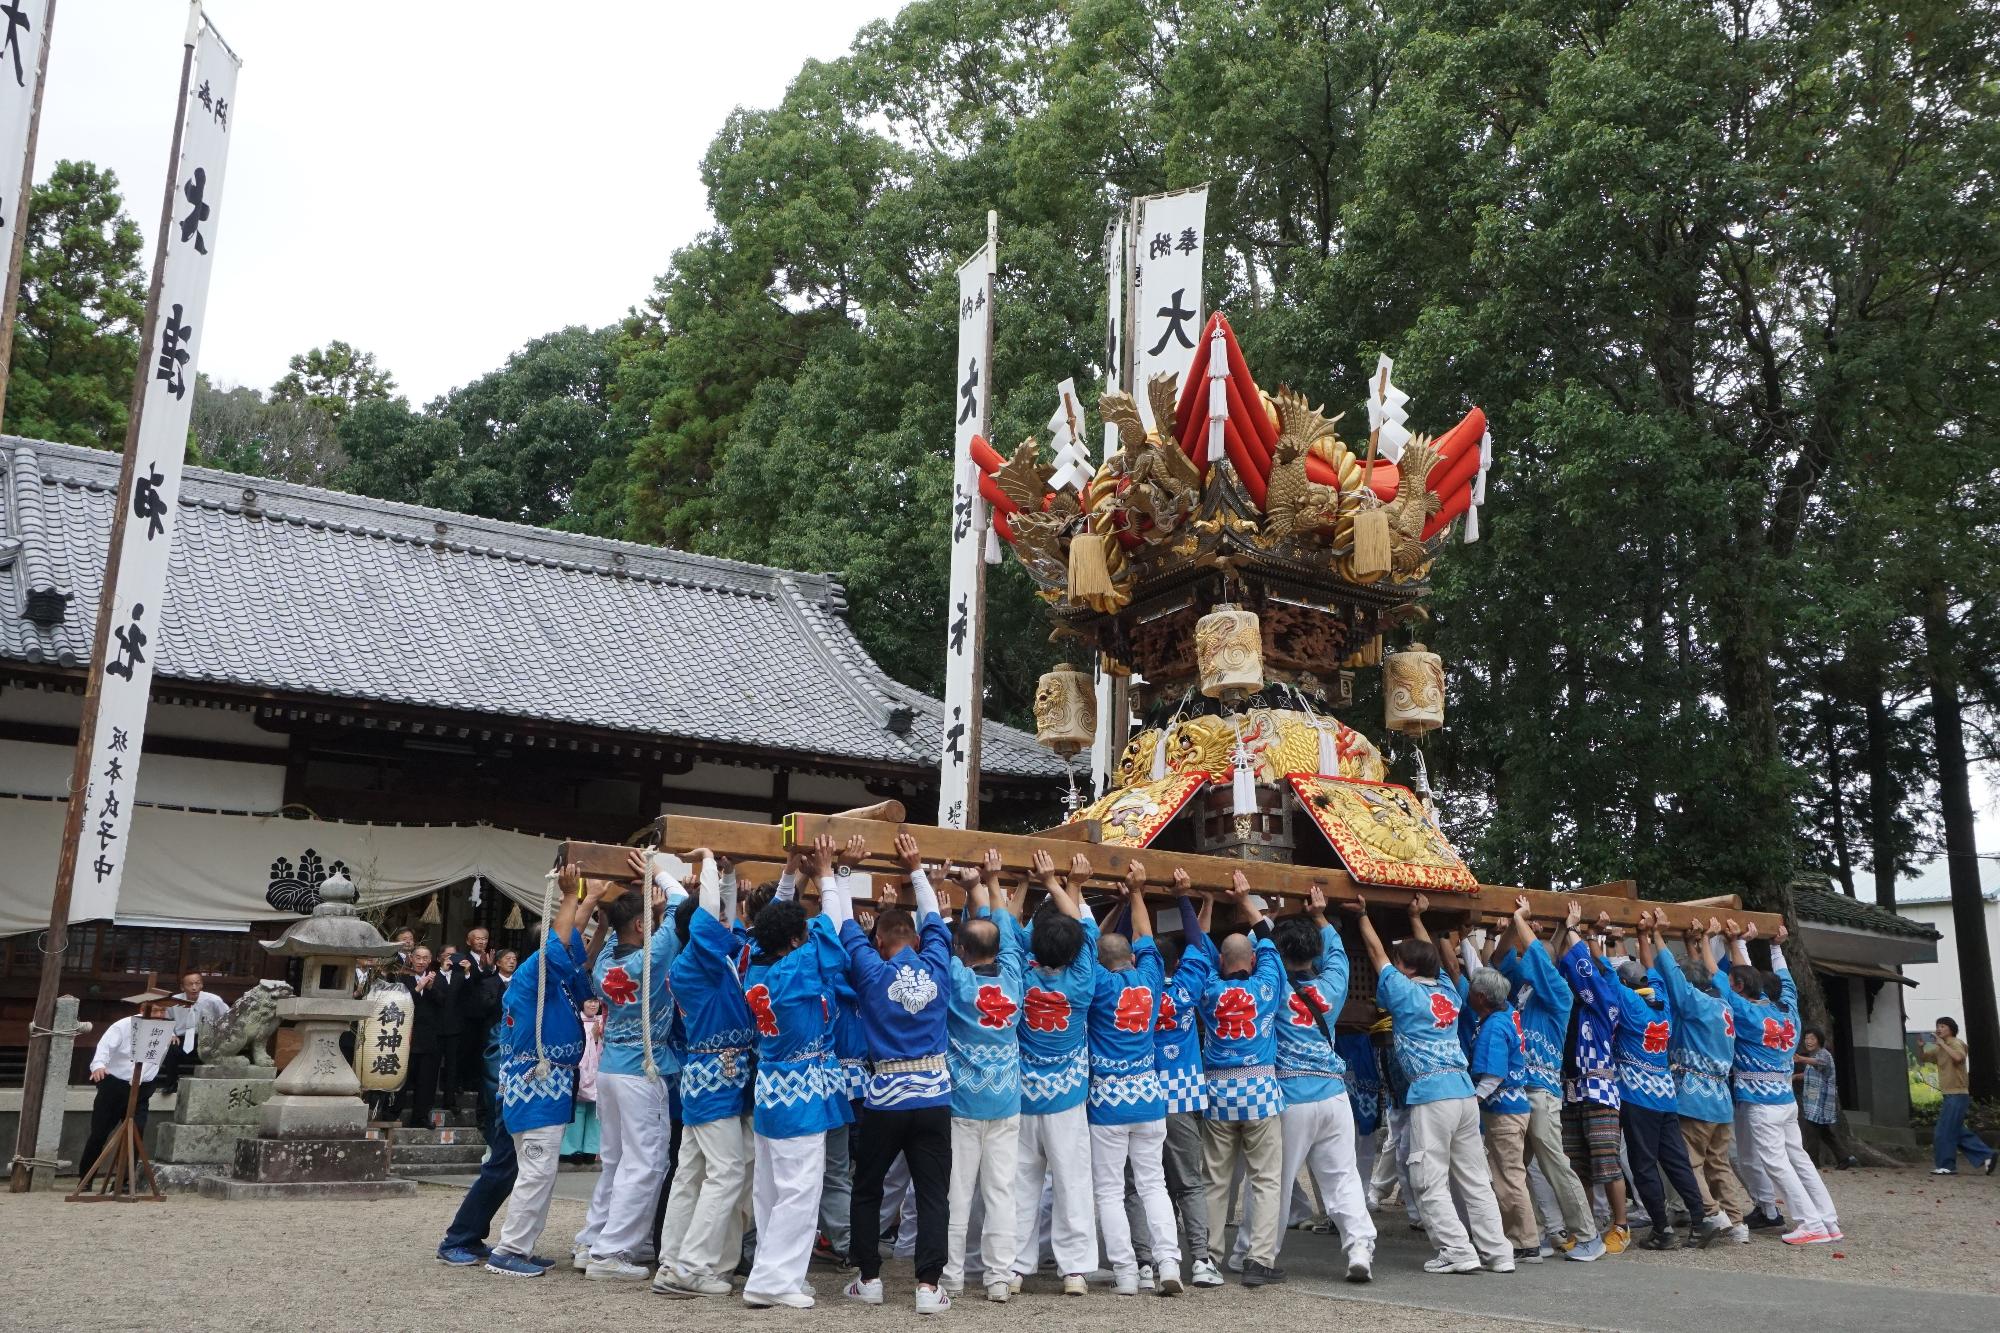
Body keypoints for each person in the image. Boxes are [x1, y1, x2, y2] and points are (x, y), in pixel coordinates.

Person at [1347, 892, 1512, 1275]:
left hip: (1431, 1093)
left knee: (1428, 1177)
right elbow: (1431, 962)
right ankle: (1497, 1252)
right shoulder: (1449, 994)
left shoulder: (1404, 992)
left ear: (1406, 969)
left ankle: (1457, 1250)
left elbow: (1376, 955)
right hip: (1464, 1093)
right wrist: (1417, 918)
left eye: (1400, 962)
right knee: (1474, 1178)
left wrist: (1363, 916)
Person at [828, 832, 955, 1315]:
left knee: (868, 1187)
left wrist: (834, 871)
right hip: (934, 1095)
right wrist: (917, 869)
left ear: (878, 941)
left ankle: (869, 1278)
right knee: (932, 1193)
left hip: (885, 1095)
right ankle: (927, 1286)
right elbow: (938, 923)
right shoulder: (938, 963)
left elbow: (843, 924)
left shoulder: (871, 970)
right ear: (916, 940)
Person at [739, 834, 853, 1310]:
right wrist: (826, 872)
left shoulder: (755, 966)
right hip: (801, 1095)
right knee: (798, 1191)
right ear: (795, 941)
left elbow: (771, 925)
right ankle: (772, 1280)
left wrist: (794, 871)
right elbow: (836, 926)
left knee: (770, 1190)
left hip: (771, 1088)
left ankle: (775, 1271)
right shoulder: (797, 970)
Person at [479, 866, 611, 1276]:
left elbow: (576, 961)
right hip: (535, 1084)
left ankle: (521, 1246)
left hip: (550, 1085)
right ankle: (509, 1250)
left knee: (542, 1171)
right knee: (535, 1171)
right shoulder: (529, 977)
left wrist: (594, 909)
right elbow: (561, 949)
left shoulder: (557, 983)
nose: (574, 950)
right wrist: (572, 897)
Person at [573, 849, 685, 1280]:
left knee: (616, 1161)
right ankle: (612, 1252)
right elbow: (680, 907)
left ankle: (592, 1241)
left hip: (610, 1069)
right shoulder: (651, 957)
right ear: (642, 925)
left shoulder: (605, 963)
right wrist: (659, 873)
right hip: (643, 1069)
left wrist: (626, 909)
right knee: (646, 1163)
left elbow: (618, 933)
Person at [655, 851, 757, 1299]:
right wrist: (711, 864)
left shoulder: (703, 961)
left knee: (691, 1172)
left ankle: (673, 1261)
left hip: (710, 1073)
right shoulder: (697, 960)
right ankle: (690, 1266)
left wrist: (728, 874)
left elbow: (716, 917)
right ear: (701, 932)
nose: (723, 929)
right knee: (729, 1172)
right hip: (717, 1076)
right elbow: (709, 915)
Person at [1082, 860, 1183, 1297]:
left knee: (1108, 1190)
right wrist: (1137, 893)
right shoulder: (1150, 979)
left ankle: (1126, 1272)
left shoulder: (1098, 986)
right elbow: (1144, 939)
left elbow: (1088, 946)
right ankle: (1169, 1263)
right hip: (1149, 1096)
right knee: (1154, 1184)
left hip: (1107, 1101)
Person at [1269, 884, 1376, 1283]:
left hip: (1291, 1096)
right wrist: (1320, 916)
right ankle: (1360, 1247)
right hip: (1334, 1093)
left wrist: (1269, 915)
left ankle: (1261, 1251)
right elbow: (1339, 956)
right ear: (1312, 953)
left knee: (1276, 1178)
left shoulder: (1273, 985)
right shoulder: (1332, 987)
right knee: (1342, 1176)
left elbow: (1257, 950)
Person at [1712, 918, 1841, 1243]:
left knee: (1776, 1162)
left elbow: (1724, 983)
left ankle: (1809, 1223)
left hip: (1761, 1103)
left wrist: (1721, 944)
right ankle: (1827, 1219)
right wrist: (1773, 947)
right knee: (1798, 1158)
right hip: (1785, 1099)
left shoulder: (1748, 1015)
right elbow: (1783, 981)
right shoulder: (1790, 1015)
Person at [1597, 910, 1720, 1250]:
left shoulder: (1627, 1005)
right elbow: (1652, 971)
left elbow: (1603, 970)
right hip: (1665, 1094)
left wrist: (1595, 935)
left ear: (1625, 985)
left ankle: (1662, 1229)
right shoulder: (1661, 1004)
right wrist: (1643, 936)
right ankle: (1700, 1219)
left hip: (1637, 1096)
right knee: (1676, 1160)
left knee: (1643, 1163)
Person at [1491, 897, 1604, 1261]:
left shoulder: (1559, 994)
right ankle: (1520, 1236)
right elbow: (1498, 960)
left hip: (1540, 1092)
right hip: (1518, 1093)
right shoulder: (1524, 988)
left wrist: (1521, 918)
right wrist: (1513, 926)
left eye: (1535, 958)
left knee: (1554, 1163)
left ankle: (1588, 1235)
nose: (1526, 961)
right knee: (1509, 1169)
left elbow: (1539, 956)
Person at [1010, 850, 1101, 1296]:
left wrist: (1032, 885)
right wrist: (1058, 883)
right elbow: (1084, 932)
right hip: (1067, 1096)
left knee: (1021, 1180)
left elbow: (1012, 934)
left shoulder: (1020, 978)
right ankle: (1075, 1270)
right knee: (1072, 1180)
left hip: (1025, 1093)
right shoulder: (1084, 980)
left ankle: (1014, 1266)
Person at [939, 851, 1026, 1302]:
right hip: (1007, 1101)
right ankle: (997, 1277)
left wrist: (938, 902)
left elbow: (940, 945)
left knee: (958, 1193)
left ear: (963, 951)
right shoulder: (1014, 979)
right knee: (1001, 1192)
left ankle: (952, 1276)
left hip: (962, 1103)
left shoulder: (957, 981)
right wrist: (990, 885)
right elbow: (1008, 937)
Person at [1194, 871, 1287, 1286]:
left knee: (1216, 1178)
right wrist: (1247, 899)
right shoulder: (1266, 986)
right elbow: (1270, 937)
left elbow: (1199, 946)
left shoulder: (1208, 991)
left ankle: (1209, 1257)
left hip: (1218, 1093)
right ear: (1250, 961)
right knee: (1265, 1179)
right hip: (1261, 1093)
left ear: (1220, 963)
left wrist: (1209, 904)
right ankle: (1258, 1260)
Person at [1648, 914, 1753, 1244]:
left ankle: (1711, 1213)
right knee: (1718, 1163)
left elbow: (1675, 980)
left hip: (1696, 1097)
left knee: (1687, 1160)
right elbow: (1713, 975)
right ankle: (1738, 1223)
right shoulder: (1724, 1004)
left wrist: (1657, 937)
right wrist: (1700, 942)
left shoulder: (1693, 1003)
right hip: (1722, 1097)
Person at [1553, 901, 1631, 1252]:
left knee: (1607, 1162)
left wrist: (1573, 928)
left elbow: (1584, 969)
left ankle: (1621, 1225)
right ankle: (1586, 1227)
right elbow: (1557, 967)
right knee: (1577, 1165)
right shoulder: (1573, 1006)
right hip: (1571, 1090)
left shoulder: (1604, 1002)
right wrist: (1561, 932)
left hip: (1599, 1090)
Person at [1152, 878, 1218, 1285]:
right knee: (1189, 1183)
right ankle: (1200, 1260)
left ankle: (1149, 1262)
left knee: (1143, 1184)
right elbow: (1198, 944)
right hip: (1182, 1095)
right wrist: (1183, 897)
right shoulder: (1187, 985)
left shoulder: (1131, 988)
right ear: (1175, 965)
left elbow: (1107, 945)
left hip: (1137, 1097)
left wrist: (1132, 901)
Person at [1462, 961, 1537, 1265]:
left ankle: (1525, 1242)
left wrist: (1473, 1100)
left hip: (1504, 1110)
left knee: (1508, 1177)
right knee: (1514, 1174)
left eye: (1471, 990)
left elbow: (1493, 1075)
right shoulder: (1506, 1016)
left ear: (1481, 997)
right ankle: (1527, 1236)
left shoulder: (1494, 1025)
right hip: (1516, 1107)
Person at [79, 986, 174, 1177]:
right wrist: (98, 1065)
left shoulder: (165, 1031)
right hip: (115, 1084)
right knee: (99, 1133)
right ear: (142, 1010)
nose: (159, 1015)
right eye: (155, 1010)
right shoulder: (122, 1025)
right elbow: (105, 1048)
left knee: (135, 1133)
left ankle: (123, 1181)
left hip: (142, 1088)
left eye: (162, 1011)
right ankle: (86, 1177)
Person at [1923, 1016, 1996, 1175]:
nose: (1939, 1029)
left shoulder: (1956, 1043)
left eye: (1942, 1026)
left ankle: (1946, 1165)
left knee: (1944, 1131)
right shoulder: (1940, 1048)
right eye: (1938, 1026)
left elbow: (1958, 1057)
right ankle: (1986, 1154)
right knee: (1955, 1130)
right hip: (1949, 1095)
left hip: (1957, 1094)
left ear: (1951, 1029)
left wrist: (1942, 1044)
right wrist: (1921, 1046)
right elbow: (1925, 1058)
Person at [405, 946, 446, 1129]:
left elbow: (443, 1002)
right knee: (403, 1078)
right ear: (411, 959)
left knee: (426, 1081)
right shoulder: (401, 978)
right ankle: (392, 1113)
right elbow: (401, 1003)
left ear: (430, 961)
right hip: (407, 1036)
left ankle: (420, 1116)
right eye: (418, 958)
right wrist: (417, 987)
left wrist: (429, 988)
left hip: (429, 1037)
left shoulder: (437, 978)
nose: (421, 961)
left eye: (425, 958)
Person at [562, 1000, 605, 1163]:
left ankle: (591, 1148)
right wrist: (591, 1039)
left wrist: (597, 1039)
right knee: (578, 1109)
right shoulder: (574, 1020)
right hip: (579, 1068)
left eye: (595, 1002)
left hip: (599, 1068)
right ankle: (571, 1149)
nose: (593, 1005)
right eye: (589, 1001)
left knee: (595, 1111)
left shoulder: (603, 1021)